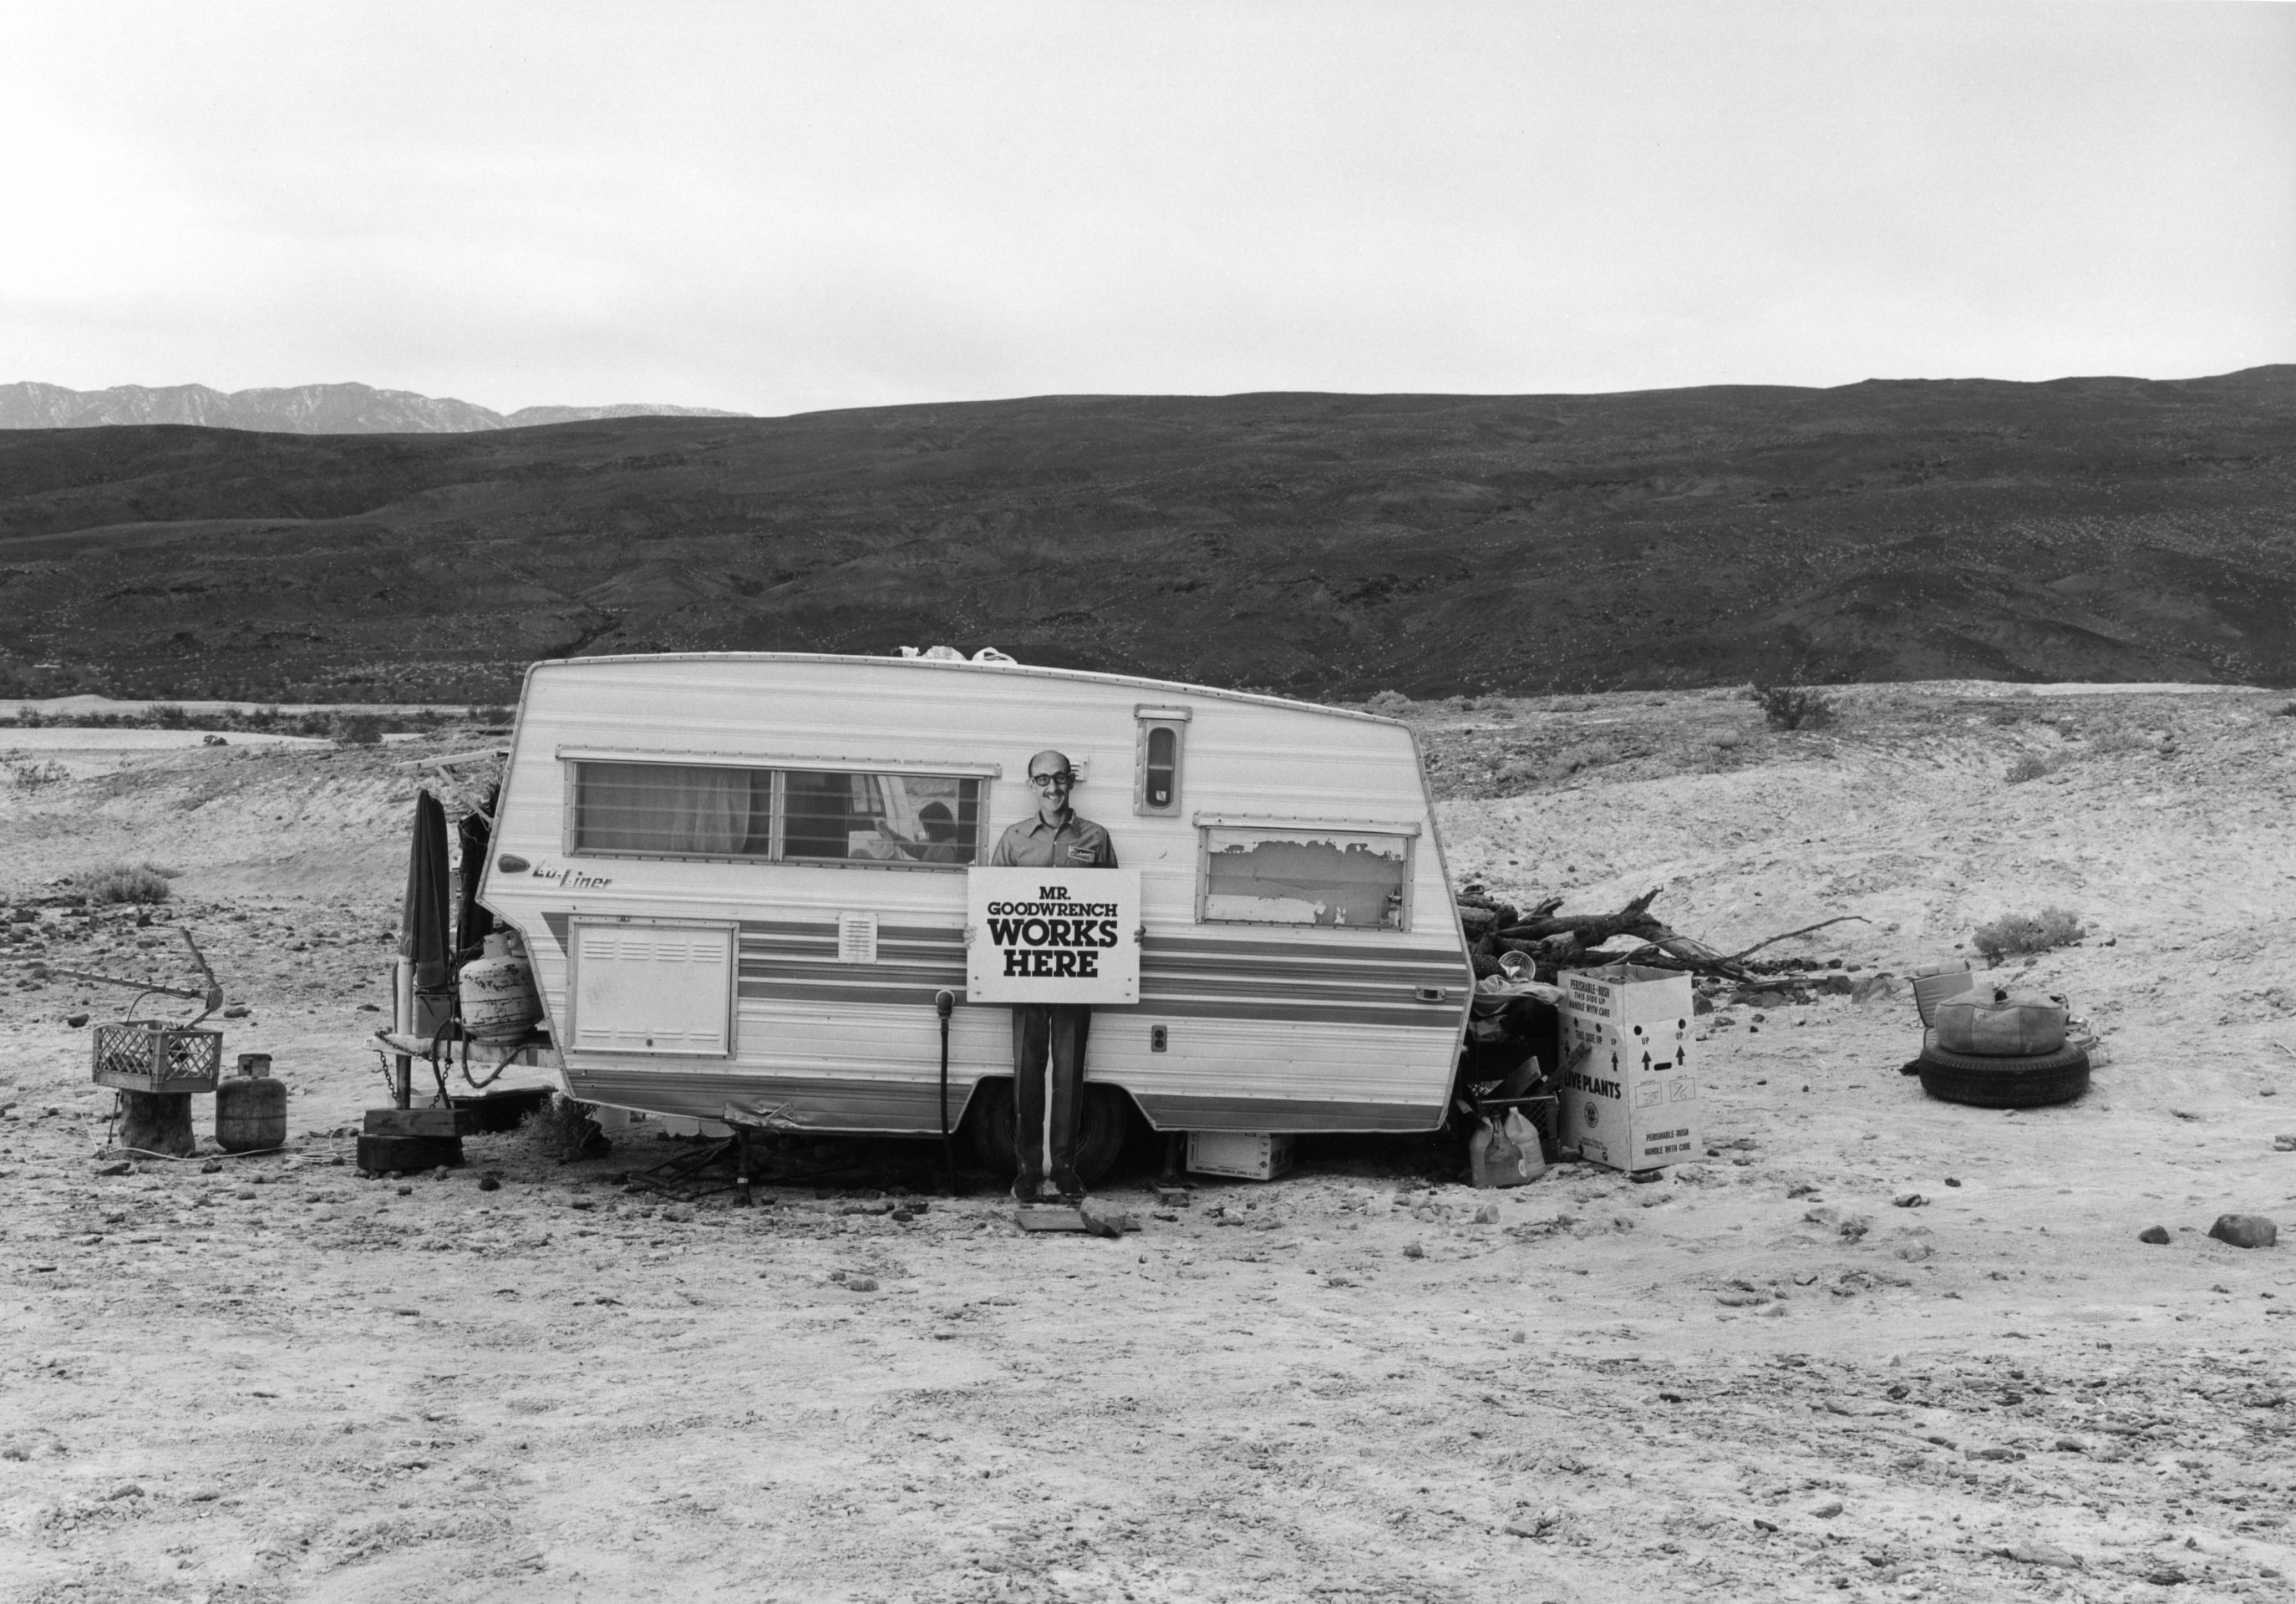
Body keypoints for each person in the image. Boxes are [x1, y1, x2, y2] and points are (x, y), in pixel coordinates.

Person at [988, 749, 1116, 1203]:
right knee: (1027, 1076)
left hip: (1075, 980)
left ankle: (1063, 1169)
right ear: (1030, 785)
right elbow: (992, 905)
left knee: (1069, 1076)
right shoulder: (1014, 839)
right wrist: (977, 933)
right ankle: (1026, 1170)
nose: (1052, 788)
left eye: (1059, 778)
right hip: (1025, 979)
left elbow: (1111, 907)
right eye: (1042, 780)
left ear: (1071, 782)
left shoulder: (1096, 839)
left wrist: (1128, 931)